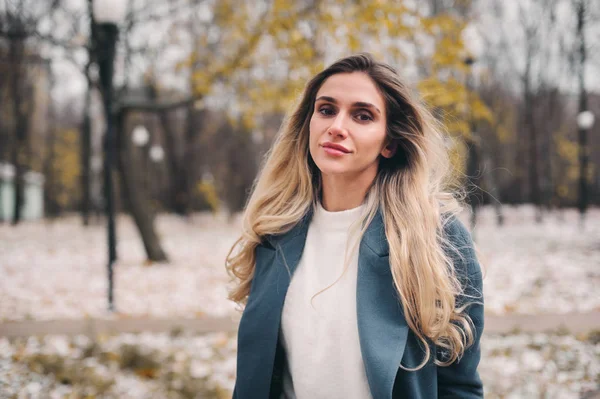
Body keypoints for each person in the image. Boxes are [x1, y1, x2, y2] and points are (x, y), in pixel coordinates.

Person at [226, 53, 484, 399]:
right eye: (326, 109)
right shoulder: (274, 231)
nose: (336, 126)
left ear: (389, 143)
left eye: (362, 115)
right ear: (309, 125)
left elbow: (460, 385)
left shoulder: (435, 237)